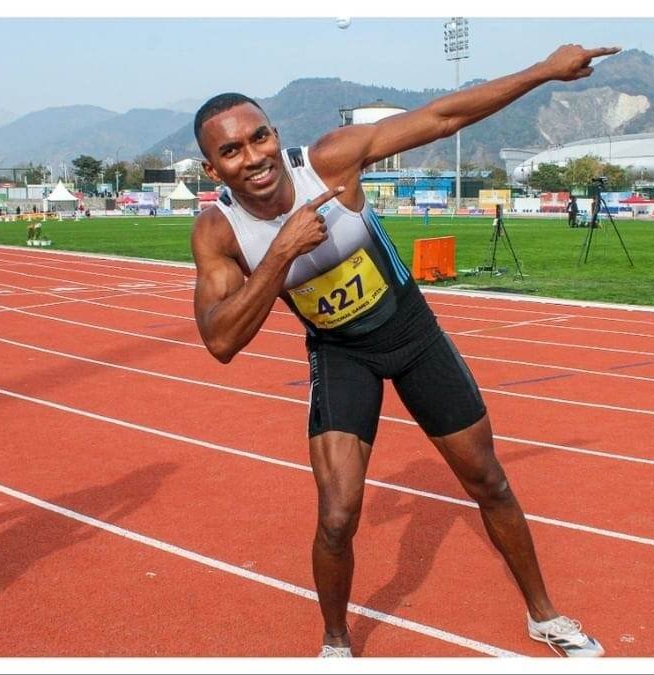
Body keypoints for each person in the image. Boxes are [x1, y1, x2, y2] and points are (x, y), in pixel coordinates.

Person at [190, 43, 618, 659]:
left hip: (414, 337)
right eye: (232, 151)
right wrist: (281, 251)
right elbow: (221, 341)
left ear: (275, 134)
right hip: (340, 354)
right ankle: (336, 644)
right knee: (338, 515)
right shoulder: (219, 231)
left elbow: (443, 117)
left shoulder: (329, 161)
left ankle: (545, 616)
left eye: (259, 137)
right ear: (213, 170)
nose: (254, 157)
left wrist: (545, 71)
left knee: (488, 481)